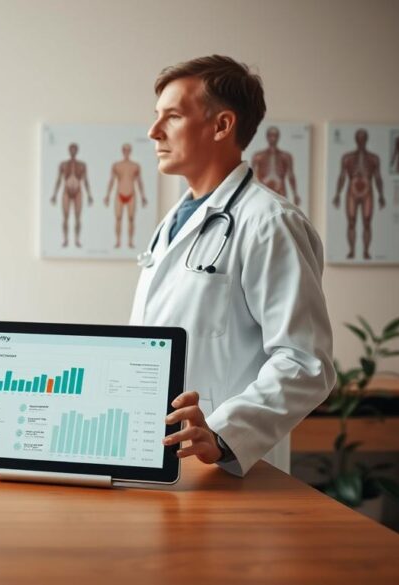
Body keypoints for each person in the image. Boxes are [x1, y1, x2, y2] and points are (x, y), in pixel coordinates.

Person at [132, 55, 335, 476]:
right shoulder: (175, 222)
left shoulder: (270, 223)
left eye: (171, 116)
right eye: (156, 117)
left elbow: (304, 363)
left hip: (224, 464)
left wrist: (223, 435)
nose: (153, 132)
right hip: (155, 451)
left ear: (222, 125)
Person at [333, 129, 385, 260]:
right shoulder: (347, 157)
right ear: (356, 139)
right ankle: (351, 250)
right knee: (351, 221)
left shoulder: (373, 158)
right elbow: (342, 176)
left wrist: (381, 195)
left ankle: (366, 251)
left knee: (367, 222)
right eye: (359, 138)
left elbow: (378, 177)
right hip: (352, 190)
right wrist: (337, 194)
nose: (361, 141)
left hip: (367, 189)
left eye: (363, 138)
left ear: (366, 139)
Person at [104, 143, 148, 248]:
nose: (126, 151)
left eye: (128, 150)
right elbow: (111, 181)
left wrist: (143, 196)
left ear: (130, 151)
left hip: (131, 194)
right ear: (122, 151)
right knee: (118, 218)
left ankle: (130, 242)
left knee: (131, 218)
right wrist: (107, 196)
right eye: (125, 150)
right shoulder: (116, 165)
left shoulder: (135, 166)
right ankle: (118, 241)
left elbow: (139, 181)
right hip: (119, 193)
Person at [51, 143, 93, 248]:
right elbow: (59, 180)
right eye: (71, 149)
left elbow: (85, 180)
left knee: (78, 217)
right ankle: (65, 240)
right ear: (69, 151)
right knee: (65, 217)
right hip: (66, 191)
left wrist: (89, 195)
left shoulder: (82, 165)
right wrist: (54, 194)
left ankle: (77, 240)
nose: (73, 151)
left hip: (78, 191)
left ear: (77, 151)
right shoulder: (63, 164)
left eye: (75, 150)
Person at [250, 126, 301, 206]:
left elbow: (290, 175)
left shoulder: (286, 156)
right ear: (267, 137)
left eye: (275, 135)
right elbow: (252, 175)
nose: (273, 138)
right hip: (263, 187)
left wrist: (295, 194)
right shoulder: (258, 156)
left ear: (278, 137)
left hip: (280, 187)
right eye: (270, 135)